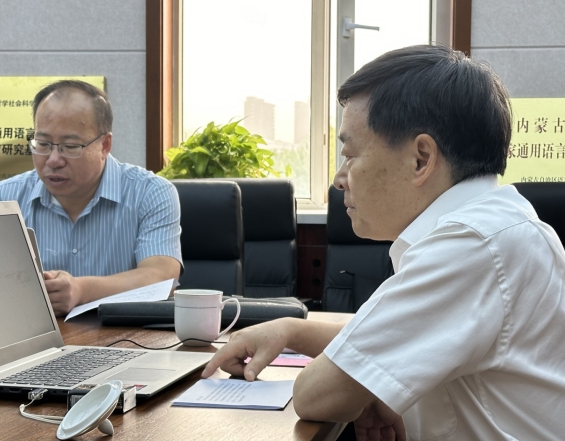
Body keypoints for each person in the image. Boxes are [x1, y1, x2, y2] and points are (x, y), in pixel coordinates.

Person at [202, 45, 565, 440]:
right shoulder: (498, 224)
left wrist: (360, 389)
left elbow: (316, 396)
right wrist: (292, 331)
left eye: (350, 154)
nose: (340, 179)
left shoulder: (471, 245)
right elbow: (388, 340)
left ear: (420, 159)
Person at [0, 80, 182, 316]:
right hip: (36, 335)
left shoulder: (150, 193)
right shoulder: (6, 197)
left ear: (104, 145)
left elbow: (162, 278)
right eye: (43, 144)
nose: (53, 160)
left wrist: (82, 290)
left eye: (70, 146)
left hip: (122, 335)